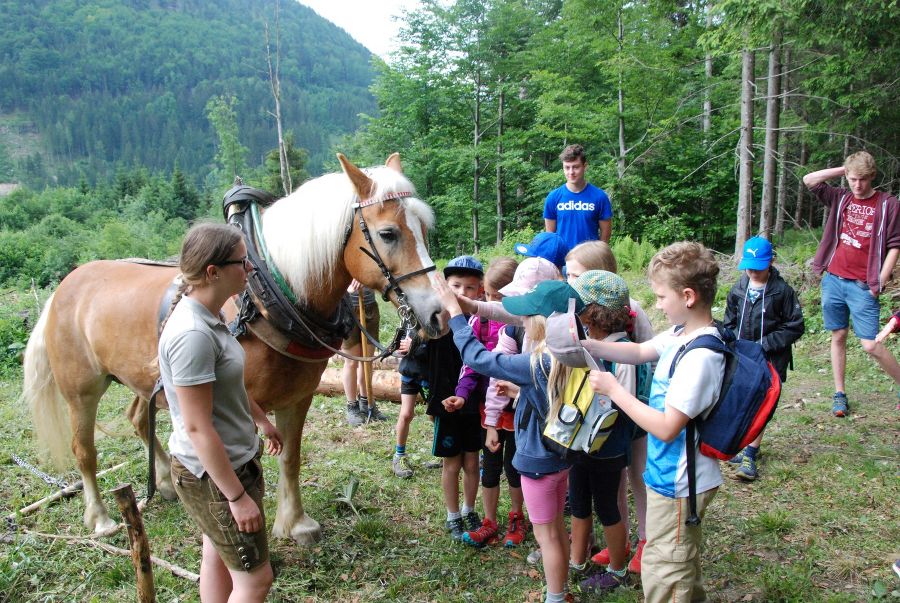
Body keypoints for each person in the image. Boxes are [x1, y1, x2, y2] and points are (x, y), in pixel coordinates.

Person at [585, 241, 725, 603]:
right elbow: (638, 351)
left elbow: (665, 427)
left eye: (662, 296)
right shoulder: (680, 335)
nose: (657, 304)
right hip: (667, 473)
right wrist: (587, 346)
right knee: (676, 564)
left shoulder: (702, 355)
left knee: (665, 570)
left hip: (681, 483)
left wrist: (614, 389)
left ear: (688, 296)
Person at [436, 276, 586, 603]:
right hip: (561, 457)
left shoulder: (536, 363)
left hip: (537, 464)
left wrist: (456, 315)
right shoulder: (573, 352)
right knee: (557, 530)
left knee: (546, 537)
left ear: (539, 325)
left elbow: (479, 359)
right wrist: (472, 306)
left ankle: (556, 597)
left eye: (526, 318)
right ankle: (564, 592)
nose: (521, 322)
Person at [158, 223, 284, 603]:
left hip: (229, 463)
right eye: (242, 262)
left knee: (216, 556)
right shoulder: (193, 334)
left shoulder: (211, 317)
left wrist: (260, 419)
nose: (250, 269)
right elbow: (197, 428)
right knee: (256, 580)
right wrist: (236, 496)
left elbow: (228, 384)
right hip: (213, 475)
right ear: (212, 271)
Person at [565, 240, 652, 574]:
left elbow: (649, 351)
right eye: (568, 274)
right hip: (596, 416)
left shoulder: (631, 310)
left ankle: (646, 540)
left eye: (576, 275)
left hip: (632, 408)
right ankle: (622, 540)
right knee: (611, 485)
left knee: (638, 476)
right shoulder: (575, 310)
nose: (570, 282)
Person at [804, 151, 900, 417]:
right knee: (839, 336)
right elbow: (809, 179)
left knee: (871, 344)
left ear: (872, 177)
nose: (857, 186)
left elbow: (895, 244)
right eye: (853, 179)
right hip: (833, 279)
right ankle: (840, 394)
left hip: (862, 284)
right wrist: (844, 170)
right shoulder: (841, 197)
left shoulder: (887, 204)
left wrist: (880, 279)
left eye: (863, 180)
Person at [561, 270, 636, 594]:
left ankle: (618, 570)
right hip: (580, 440)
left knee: (607, 506)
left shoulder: (624, 352)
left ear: (594, 312)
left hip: (609, 444)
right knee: (578, 498)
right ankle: (577, 559)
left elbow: (626, 401)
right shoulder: (592, 344)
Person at [460, 257, 531, 549]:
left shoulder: (527, 327)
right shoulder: (483, 321)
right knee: (489, 467)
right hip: (491, 410)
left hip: (518, 412)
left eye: (499, 297)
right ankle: (490, 521)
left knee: (515, 468)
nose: (493, 303)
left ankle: (517, 517)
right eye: (489, 296)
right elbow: (481, 372)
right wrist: (490, 422)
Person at [724, 236, 805, 480]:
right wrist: (730, 342)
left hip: (771, 359)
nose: (753, 271)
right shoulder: (739, 288)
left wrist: (765, 344)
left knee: (763, 403)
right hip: (743, 357)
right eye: (749, 266)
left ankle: (751, 452)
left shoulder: (782, 292)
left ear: (771, 262)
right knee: (743, 400)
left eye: (758, 266)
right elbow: (730, 321)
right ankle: (742, 444)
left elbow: (795, 325)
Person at [426, 255, 486, 541]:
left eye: (470, 288)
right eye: (456, 286)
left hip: (474, 403)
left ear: (481, 291)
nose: (462, 293)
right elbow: (420, 348)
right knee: (452, 463)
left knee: (472, 462)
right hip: (445, 404)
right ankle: (452, 515)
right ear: (444, 288)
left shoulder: (481, 322)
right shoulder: (436, 321)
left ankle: (469, 509)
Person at [544, 144, 613, 249]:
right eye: (567, 167)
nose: (571, 172)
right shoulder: (553, 197)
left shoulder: (600, 197)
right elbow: (550, 235)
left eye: (575, 167)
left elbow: (605, 234)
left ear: (585, 166)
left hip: (590, 260)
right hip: (562, 261)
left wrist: (599, 255)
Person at [342, 280, 386, 426]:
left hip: (370, 308)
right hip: (348, 308)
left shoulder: (369, 256)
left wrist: (367, 280)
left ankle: (367, 402)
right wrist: (346, 286)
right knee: (352, 361)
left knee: (366, 360)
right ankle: (352, 406)